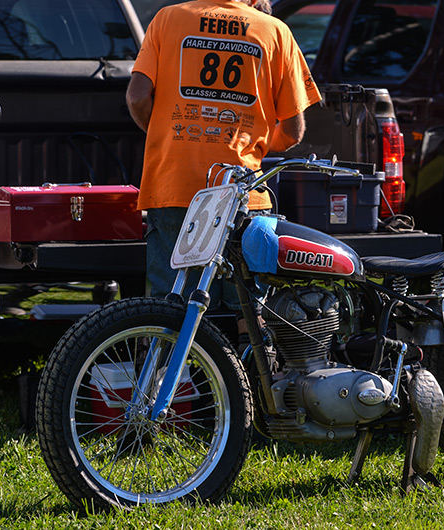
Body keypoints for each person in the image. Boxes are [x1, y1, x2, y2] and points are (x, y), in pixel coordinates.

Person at [126, 0, 322, 330]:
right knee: (249, 311)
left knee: (170, 311)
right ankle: (255, 379)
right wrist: (251, 146)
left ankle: (165, 378)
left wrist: (165, 135)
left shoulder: (167, 19)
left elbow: (136, 97)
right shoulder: (275, 31)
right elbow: (293, 130)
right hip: (240, 192)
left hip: (175, 186)